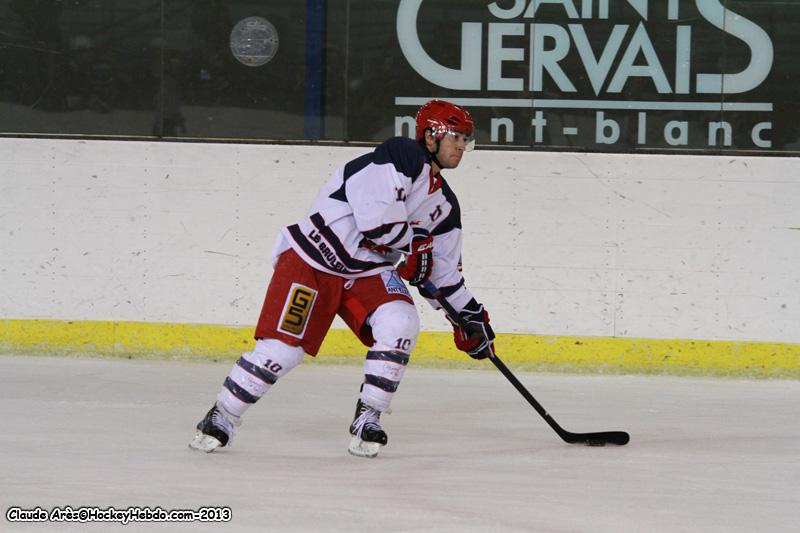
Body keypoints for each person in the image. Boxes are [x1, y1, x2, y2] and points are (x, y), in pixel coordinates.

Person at [189, 99, 495, 458]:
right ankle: (223, 414)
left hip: (367, 271)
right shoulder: (399, 155)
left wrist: (469, 316)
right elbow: (375, 222)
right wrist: (415, 246)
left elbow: (443, 275)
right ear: (430, 136)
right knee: (282, 352)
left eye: (465, 140)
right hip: (313, 259)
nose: (462, 146)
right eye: (455, 137)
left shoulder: (445, 206)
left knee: (401, 322)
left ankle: (369, 416)